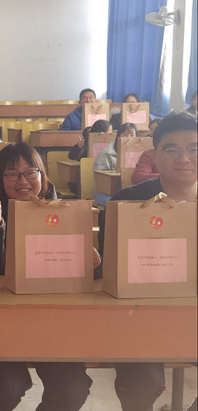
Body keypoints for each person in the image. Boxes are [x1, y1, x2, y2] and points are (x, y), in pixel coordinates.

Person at [0, 142, 97, 411]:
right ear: (0, 178)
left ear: (42, 174)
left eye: (31, 172)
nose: (23, 181)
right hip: (2, 317)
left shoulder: (62, 208)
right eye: (12, 174)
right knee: (8, 385)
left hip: (51, 318)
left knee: (73, 388)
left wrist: (94, 264)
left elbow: (77, 270)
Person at [97, 111, 196, 410]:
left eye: (193, 149)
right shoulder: (126, 203)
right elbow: (107, 271)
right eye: (172, 150)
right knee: (142, 384)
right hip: (139, 317)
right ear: (155, 155)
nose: (184, 159)